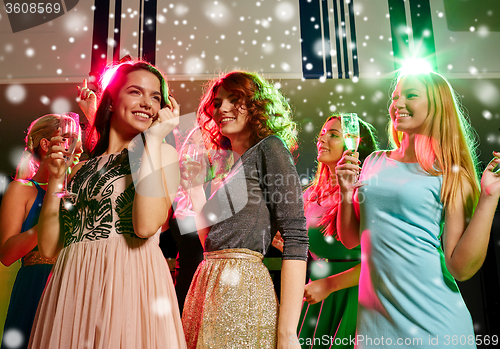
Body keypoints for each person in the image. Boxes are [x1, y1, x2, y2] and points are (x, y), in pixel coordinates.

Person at [28, 59, 187, 349]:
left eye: (155, 97)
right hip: (73, 282)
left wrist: (151, 141)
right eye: (136, 92)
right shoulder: (80, 169)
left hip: (130, 279)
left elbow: (145, 225)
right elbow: (50, 247)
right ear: (112, 101)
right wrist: (56, 179)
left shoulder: (161, 153)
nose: (148, 103)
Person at [336, 70, 500, 348]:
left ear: (438, 105)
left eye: (410, 95)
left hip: (435, 326)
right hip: (375, 328)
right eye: (395, 96)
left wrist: (488, 198)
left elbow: (459, 267)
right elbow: (351, 239)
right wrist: (345, 192)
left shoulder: (449, 173)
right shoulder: (373, 161)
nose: (397, 103)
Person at [181, 71, 309, 348]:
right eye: (217, 102)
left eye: (234, 99)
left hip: (243, 290)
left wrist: (288, 333)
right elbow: (212, 243)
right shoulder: (231, 167)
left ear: (256, 106)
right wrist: (193, 189)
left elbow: (296, 237)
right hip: (206, 287)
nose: (222, 108)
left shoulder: (270, 148)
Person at [295, 114, 378, 348]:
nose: (323, 139)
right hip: (316, 295)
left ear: (354, 144)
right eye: (322, 134)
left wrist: (329, 285)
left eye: (333, 135)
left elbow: (380, 260)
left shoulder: (365, 191)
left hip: (354, 293)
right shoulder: (309, 196)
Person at [0, 115, 70, 349]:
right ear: (46, 145)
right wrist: (48, 224)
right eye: (69, 141)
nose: (76, 149)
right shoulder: (23, 189)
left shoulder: (79, 192)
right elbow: (7, 255)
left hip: (74, 281)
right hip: (36, 285)